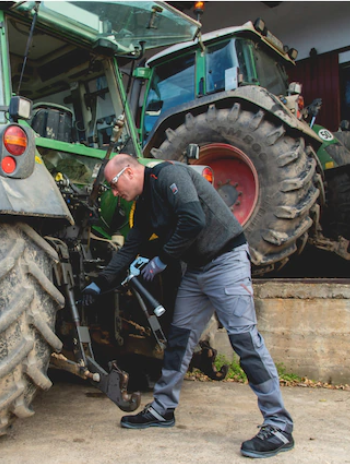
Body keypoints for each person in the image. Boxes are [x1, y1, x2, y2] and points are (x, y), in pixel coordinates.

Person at [82, 154, 294, 458]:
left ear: (128, 172)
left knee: (245, 341)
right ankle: (163, 410)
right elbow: (130, 247)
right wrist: (100, 283)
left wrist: (162, 259)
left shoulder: (170, 176)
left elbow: (193, 219)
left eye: (115, 186)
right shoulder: (144, 205)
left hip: (225, 260)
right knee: (179, 340)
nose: (116, 194)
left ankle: (278, 425)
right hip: (197, 270)